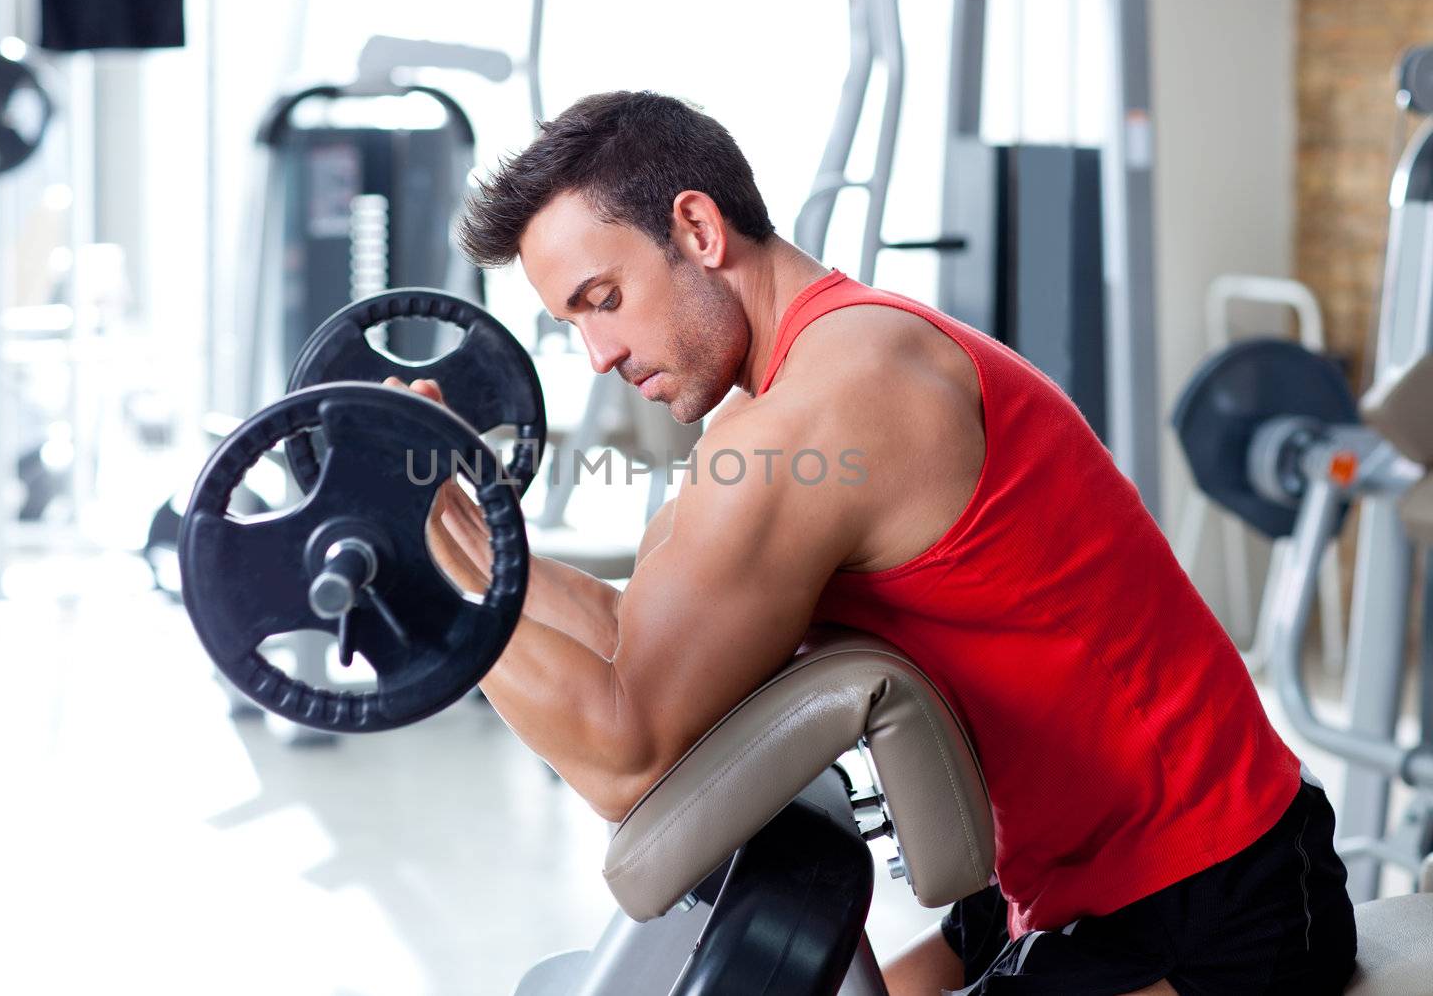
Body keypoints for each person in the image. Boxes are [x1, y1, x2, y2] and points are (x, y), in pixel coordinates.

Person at [403, 90, 1357, 995]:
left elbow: (629, 760)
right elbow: (632, 635)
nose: (599, 355)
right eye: (573, 321)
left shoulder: (829, 407)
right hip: (1052, 887)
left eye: (604, 298)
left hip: (1212, 899)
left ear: (698, 229)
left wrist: (436, 581)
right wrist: (463, 531)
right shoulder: (814, 374)